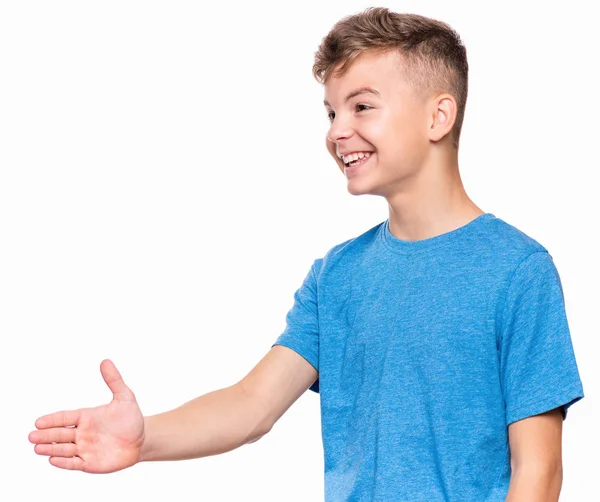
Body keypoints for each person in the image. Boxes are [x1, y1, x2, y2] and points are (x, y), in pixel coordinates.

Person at [29, 7, 584, 501]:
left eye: (362, 106)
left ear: (438, 117)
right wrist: (145, 437)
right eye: (331, 113)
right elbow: (252, 406)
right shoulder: (338, 275)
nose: (339, 132)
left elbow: (539, 473)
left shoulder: (517, 272)